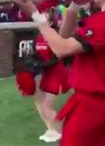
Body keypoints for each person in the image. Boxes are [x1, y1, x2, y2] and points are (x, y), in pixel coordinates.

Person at [16, 0, 105, 146]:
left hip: (92, 106)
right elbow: (63, 36)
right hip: (101, 102)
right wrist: (74, 7)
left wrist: (36, 15)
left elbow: (61, 49)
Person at [32, 8, 70, 143]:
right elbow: (35, 54)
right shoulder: (38, 36)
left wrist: (42, 64)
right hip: (43, 74)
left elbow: (58, 55)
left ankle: (62, 131)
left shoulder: (54, 34)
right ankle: (51, 129)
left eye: (44, 16)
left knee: (47, 105)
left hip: (56, 73)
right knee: (39, 104)